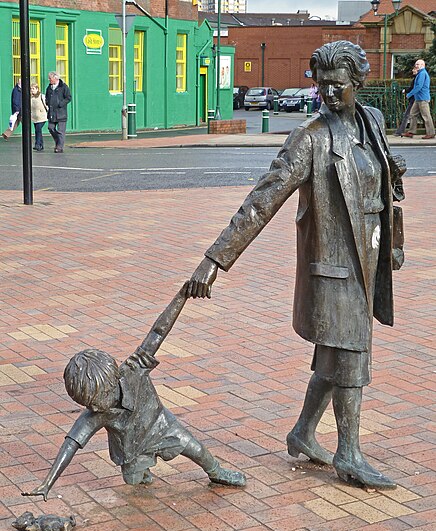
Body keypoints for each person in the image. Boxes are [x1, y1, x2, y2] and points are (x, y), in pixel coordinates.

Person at [187, 41, 406, 490]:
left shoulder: (373, 122)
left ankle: (304, 433)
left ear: (357, 84)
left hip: (367, 258)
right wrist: (215, 259)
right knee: (351, 354)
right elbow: (262, 200)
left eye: (337, 85)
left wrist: (394, 242)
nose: (327, 93)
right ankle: (349, 453)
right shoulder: (309, 138)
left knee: (335, 354)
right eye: (321, 84)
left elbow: (386, 188)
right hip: (332, 267)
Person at [22, 282, 246, 501]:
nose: (97, 408)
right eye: (89, 405)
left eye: (100, 400)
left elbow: (159, 331)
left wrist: (182, 296)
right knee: (134, 480)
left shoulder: (134, 369)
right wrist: (47, 484)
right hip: (130, 446)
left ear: (114, 380)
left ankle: (217, 472)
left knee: (195, 448)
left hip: (161, 424)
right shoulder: (95, 413)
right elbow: (70, 445)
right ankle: (143, 467)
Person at [403, 59, 435, 139]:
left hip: (423, 98)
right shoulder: (420, 73)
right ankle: (411, 132)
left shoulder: (422, 73)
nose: (416, 66)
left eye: (418, 64)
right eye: (416, 64)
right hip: (418, 98)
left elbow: (418, 86)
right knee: (413, 114)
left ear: (422, 65)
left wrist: (410, 94)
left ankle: (431, 133)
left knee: (426, 116)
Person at [45, 71, 71, 153]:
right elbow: (47, 97)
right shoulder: (49, 88)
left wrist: (61, 104)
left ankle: (59, 147)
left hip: (61, 113)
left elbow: (68, 97)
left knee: (61, 131)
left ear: (55, 78)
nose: (49, 79)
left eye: (50, 78)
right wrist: (47, 102)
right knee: (50, 127)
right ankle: (58, 141)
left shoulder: (63, 87)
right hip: (52, 112)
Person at [394, 66, 417, 137]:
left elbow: (414, 88)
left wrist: (407, 92)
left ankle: (400, 131)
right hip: (416, 99)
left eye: (414, 69)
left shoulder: (417, 78)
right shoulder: (417, 77)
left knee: (407, 115)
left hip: (415, 99)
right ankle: (409, 132)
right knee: (413, 115)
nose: (413, 70)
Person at [30, 82, 48, 151]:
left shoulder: (42, 96)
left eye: (33, 89)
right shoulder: (30, 97)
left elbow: (46, 105)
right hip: (34, 117)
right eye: (31, 89)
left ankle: (37, 144)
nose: (32, 90)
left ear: (37, 89)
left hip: (42, 116)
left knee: (38, 129)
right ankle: (41, 145)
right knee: (38, 130)